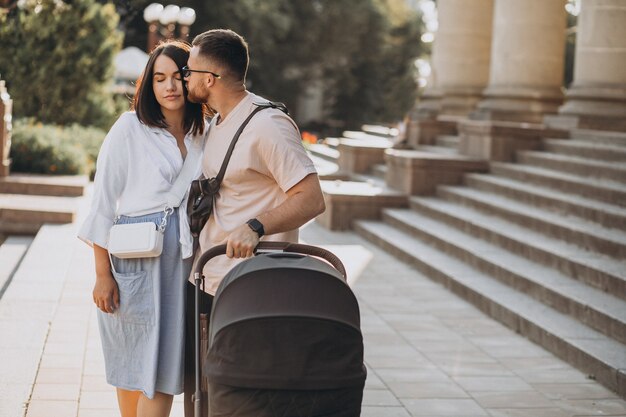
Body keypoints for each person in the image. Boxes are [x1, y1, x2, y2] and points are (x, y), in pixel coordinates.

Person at [182, 29, 326, 415]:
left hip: (252, 284)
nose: (185, 78)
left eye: (189, 70)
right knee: (206, 395)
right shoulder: (217, 124)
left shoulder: (268, 125)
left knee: (245, 398)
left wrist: (257, 225)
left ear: (209, 79)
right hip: (211, 277)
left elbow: (311, 198)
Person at [77, 40, 209, 417]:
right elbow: (101, 204)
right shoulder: (129, 128)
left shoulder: (205, 133)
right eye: (159, 78)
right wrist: (102, 275)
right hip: (133, 260)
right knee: (132, 365)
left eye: (178, 77)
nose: (169, 87)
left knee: (163, 368)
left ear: (193, 79)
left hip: (181, 262)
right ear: (148, 85)